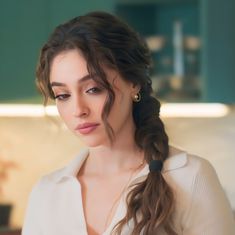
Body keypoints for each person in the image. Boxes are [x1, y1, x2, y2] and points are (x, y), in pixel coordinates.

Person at [22, 11, 235, 235]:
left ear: (133, 82)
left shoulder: (191, 177)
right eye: (63, 95)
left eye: (93, 89)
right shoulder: (47, 193)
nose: (78, 110)